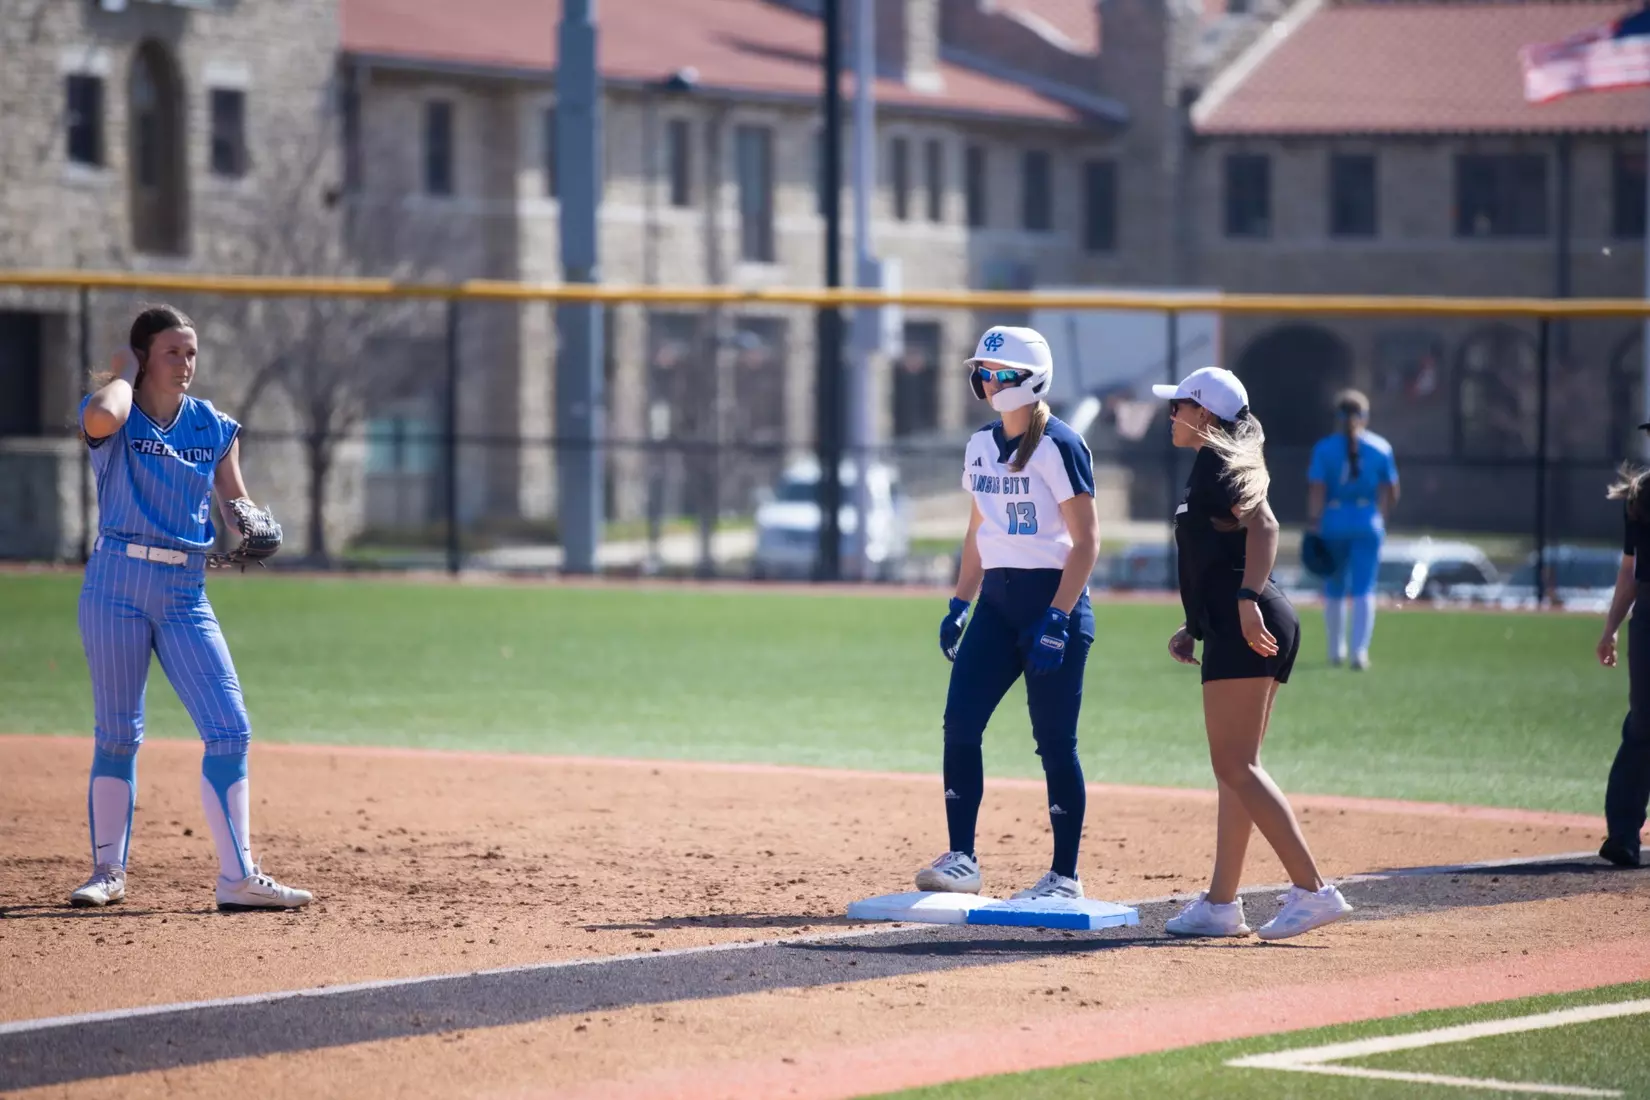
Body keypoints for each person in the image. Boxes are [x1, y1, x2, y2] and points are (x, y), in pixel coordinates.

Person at [68, 304, 312, 912]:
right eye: (173, 351)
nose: (186, 363)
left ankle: (237, 877)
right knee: (118, 734)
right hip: (116, 580)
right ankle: (107, 871)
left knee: (230, 727)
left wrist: (253, 523)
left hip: (185, 591)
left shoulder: (211, 425)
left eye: (192, 352)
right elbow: (100, 419)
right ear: (145, 355)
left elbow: (235, 501)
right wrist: (121, 372)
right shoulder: (116, 410)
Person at [1152, 366, 1352, 940]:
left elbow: (1264, 526)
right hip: (1239, 623)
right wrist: (1195, 625)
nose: (1171, 415)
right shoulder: (1210, 462)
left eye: (1179, 406)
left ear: (1205, 415)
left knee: (1235, 766)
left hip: (1253, 620)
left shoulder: (1218, 465)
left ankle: (1314, 890)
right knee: (1237, 770)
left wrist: (1242, 601)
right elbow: (1214, 554)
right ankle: (1221, 904)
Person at [918, 326, 1100, 901]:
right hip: (996, 606)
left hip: (1053, 603)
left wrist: (1058, 617)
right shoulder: (978, 445)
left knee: (1053, 742)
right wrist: (958, 602)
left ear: (1033, 379)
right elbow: (978, 531)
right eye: (983, 373)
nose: (988, 382)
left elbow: (1088, 542)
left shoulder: (1060, 444)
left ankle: (1064, 876)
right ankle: (962, 859)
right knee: (960, 724)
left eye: (999, 373)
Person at [1306, 390, 1399, 669]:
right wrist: (1380, 515)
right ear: (1365, 416)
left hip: (1333, 521)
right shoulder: (1381, 448)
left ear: (1337, 417)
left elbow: (1317, 489)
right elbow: (1392, 489)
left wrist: (1314, 521)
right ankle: (1360, 652)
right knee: (1364, 588)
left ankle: (1336, 651)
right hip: (1367, 521)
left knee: (1334, 588)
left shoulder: (1324, 448)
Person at [1598, 447, 1650, 868]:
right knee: (1644, 724)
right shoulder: (1642, 496)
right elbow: (1630, 571)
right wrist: (1610, 627)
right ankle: (1623, 835)